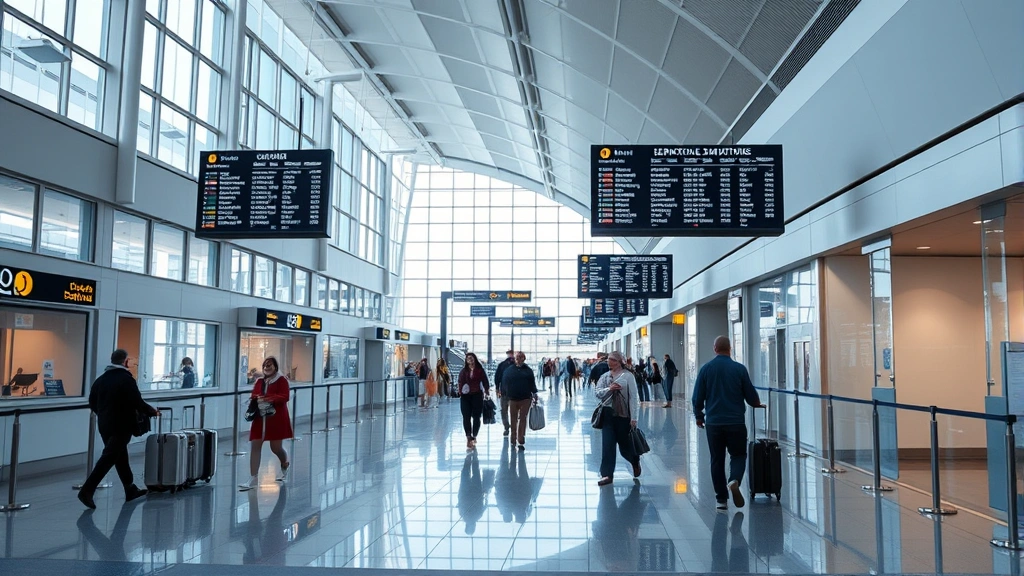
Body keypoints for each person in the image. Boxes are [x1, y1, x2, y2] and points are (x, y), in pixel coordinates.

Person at [77, 349, 158, 509]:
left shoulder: (100, 380)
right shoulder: (126, 379)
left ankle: (130, 488)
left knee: (119, 455)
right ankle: (87, 490)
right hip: (122, 424)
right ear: (125, 361)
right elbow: (137, 401)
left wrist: (104, 414)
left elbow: (92, 402)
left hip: (104, 424)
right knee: (109, 457)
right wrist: (152, 411)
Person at [692, 336, 762, 510]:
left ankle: (721, 500)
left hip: (714, 423)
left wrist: (699, 416)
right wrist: (756, 403)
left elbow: (697, 397)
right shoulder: (739, 369)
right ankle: (734, 480)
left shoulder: (706, 369)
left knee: (717, 459)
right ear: (730, 349)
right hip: (736, 422)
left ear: (715, 348)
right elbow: (751, 396)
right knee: (738, 455)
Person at [239, 357, 293, 491]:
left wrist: (269, 399)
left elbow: (285, 396)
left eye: (270, 365)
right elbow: (254, 394)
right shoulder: (260, 381)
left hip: (275, 419)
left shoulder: (282, 380)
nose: (267, 367)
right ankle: (253, 478)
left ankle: (284, 463)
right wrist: (257, 398)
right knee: (255, 445)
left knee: (276, 448)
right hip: (259, 418)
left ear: (275, 366)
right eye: (265, 365)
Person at [594, 350, 641, 487]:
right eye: (608, 359)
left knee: (624, 446)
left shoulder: (628, 377)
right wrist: (609, 389)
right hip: (608, 415)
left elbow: (633, 397)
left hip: (624, 416)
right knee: (607, 445)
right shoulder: (605, 377)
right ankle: (607, 474)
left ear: (619, 362)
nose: (609, 362)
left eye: (612, 360)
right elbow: (597, 393)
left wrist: (634, 418)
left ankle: (634, 460)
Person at [501, 351, 538, 450]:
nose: (519, 359)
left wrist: (534, 393)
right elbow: (504, 382)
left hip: (525, 398)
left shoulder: (528, 370)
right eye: (517, 357)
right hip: (512, 398)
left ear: (524, 359)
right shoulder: (509, 370)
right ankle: (513, 439)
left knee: (522, 418)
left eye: (521, 357)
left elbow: (532, 383)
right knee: (513, 419)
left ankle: (520, 438)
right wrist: (504, 394)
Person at [458, 352, 490, 450]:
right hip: (465, 396)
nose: (470, 360)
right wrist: (460, 391)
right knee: (466, 416)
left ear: (475, 359)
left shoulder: (480, 370)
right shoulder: (464, 371)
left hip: (477, 395)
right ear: (466, 361)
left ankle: (474, 435)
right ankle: (468, 437)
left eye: (471, 358)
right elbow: (460, 381)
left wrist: (486, 390)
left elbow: (485, 380)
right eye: (468, 359)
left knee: (476, 417)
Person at [494, 349, 516, 438]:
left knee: (509, 410)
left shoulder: (516, 365)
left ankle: (511, 427)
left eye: (511, 354)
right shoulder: (503, 365)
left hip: (513, 392)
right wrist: (497, 388)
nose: (510, 355)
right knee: (504, 410)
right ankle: (507, 426)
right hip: (506, 391)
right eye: (509, 354)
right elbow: (497, 377)